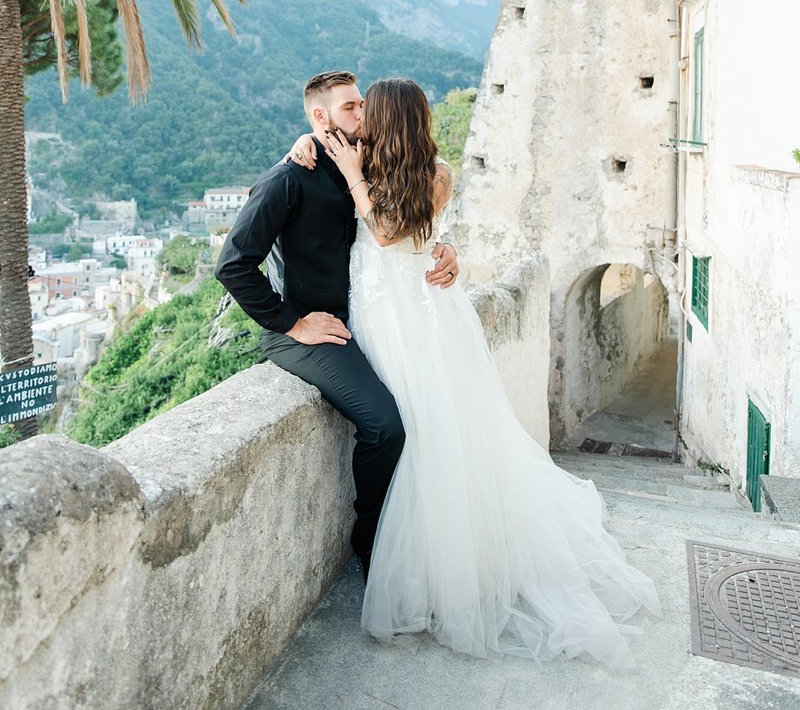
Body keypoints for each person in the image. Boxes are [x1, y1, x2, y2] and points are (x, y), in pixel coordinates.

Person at [317, 76, 661, 669]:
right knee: (412, 428)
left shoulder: (437, 173)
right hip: (380, 309)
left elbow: (390, 231)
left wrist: (361, 185)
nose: (362, 117)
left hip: (418, 316)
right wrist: (308, 143)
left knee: (434, 430)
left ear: (394, 118)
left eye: (371, 109)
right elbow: (324, 144)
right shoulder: (363, 156)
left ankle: (444, 569)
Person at [214, 71, 459, 577]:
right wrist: (291, 323)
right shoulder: (288, 176)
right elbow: (233, 264)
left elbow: (406, 225)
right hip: (307, 332)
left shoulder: (366, 165)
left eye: (365, 105)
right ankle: (369, 542)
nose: (364, 115)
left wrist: (447, 249)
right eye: (351, 108)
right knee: (386, 424)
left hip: (373, 317)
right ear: (320, 117)